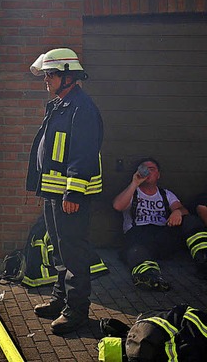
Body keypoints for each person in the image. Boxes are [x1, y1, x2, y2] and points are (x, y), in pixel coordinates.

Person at [26, 47, 103, 335]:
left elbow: (83, 154)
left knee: (74, 253)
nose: (46, 80)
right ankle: (60, 301)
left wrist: (74, 193)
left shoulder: (82, 108)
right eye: (46, 75)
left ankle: (76, 312)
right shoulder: (62, 104)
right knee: (59, 250)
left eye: (50, 75)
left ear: (68, 77)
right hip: (53, 191)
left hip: (69, 196)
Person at [113, 158, 207, 289]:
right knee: (135, 248)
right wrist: (134, 183)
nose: (148, 172)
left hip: (162, 235)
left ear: (158, 175)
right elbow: (118, 206)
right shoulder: (132, 192)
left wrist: (177, 212)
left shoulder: (166, 194)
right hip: (139, 236)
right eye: (144, 169)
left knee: (190, 220)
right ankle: (149, 276)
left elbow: (183, 210)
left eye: (152, 169)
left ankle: (204, 258)